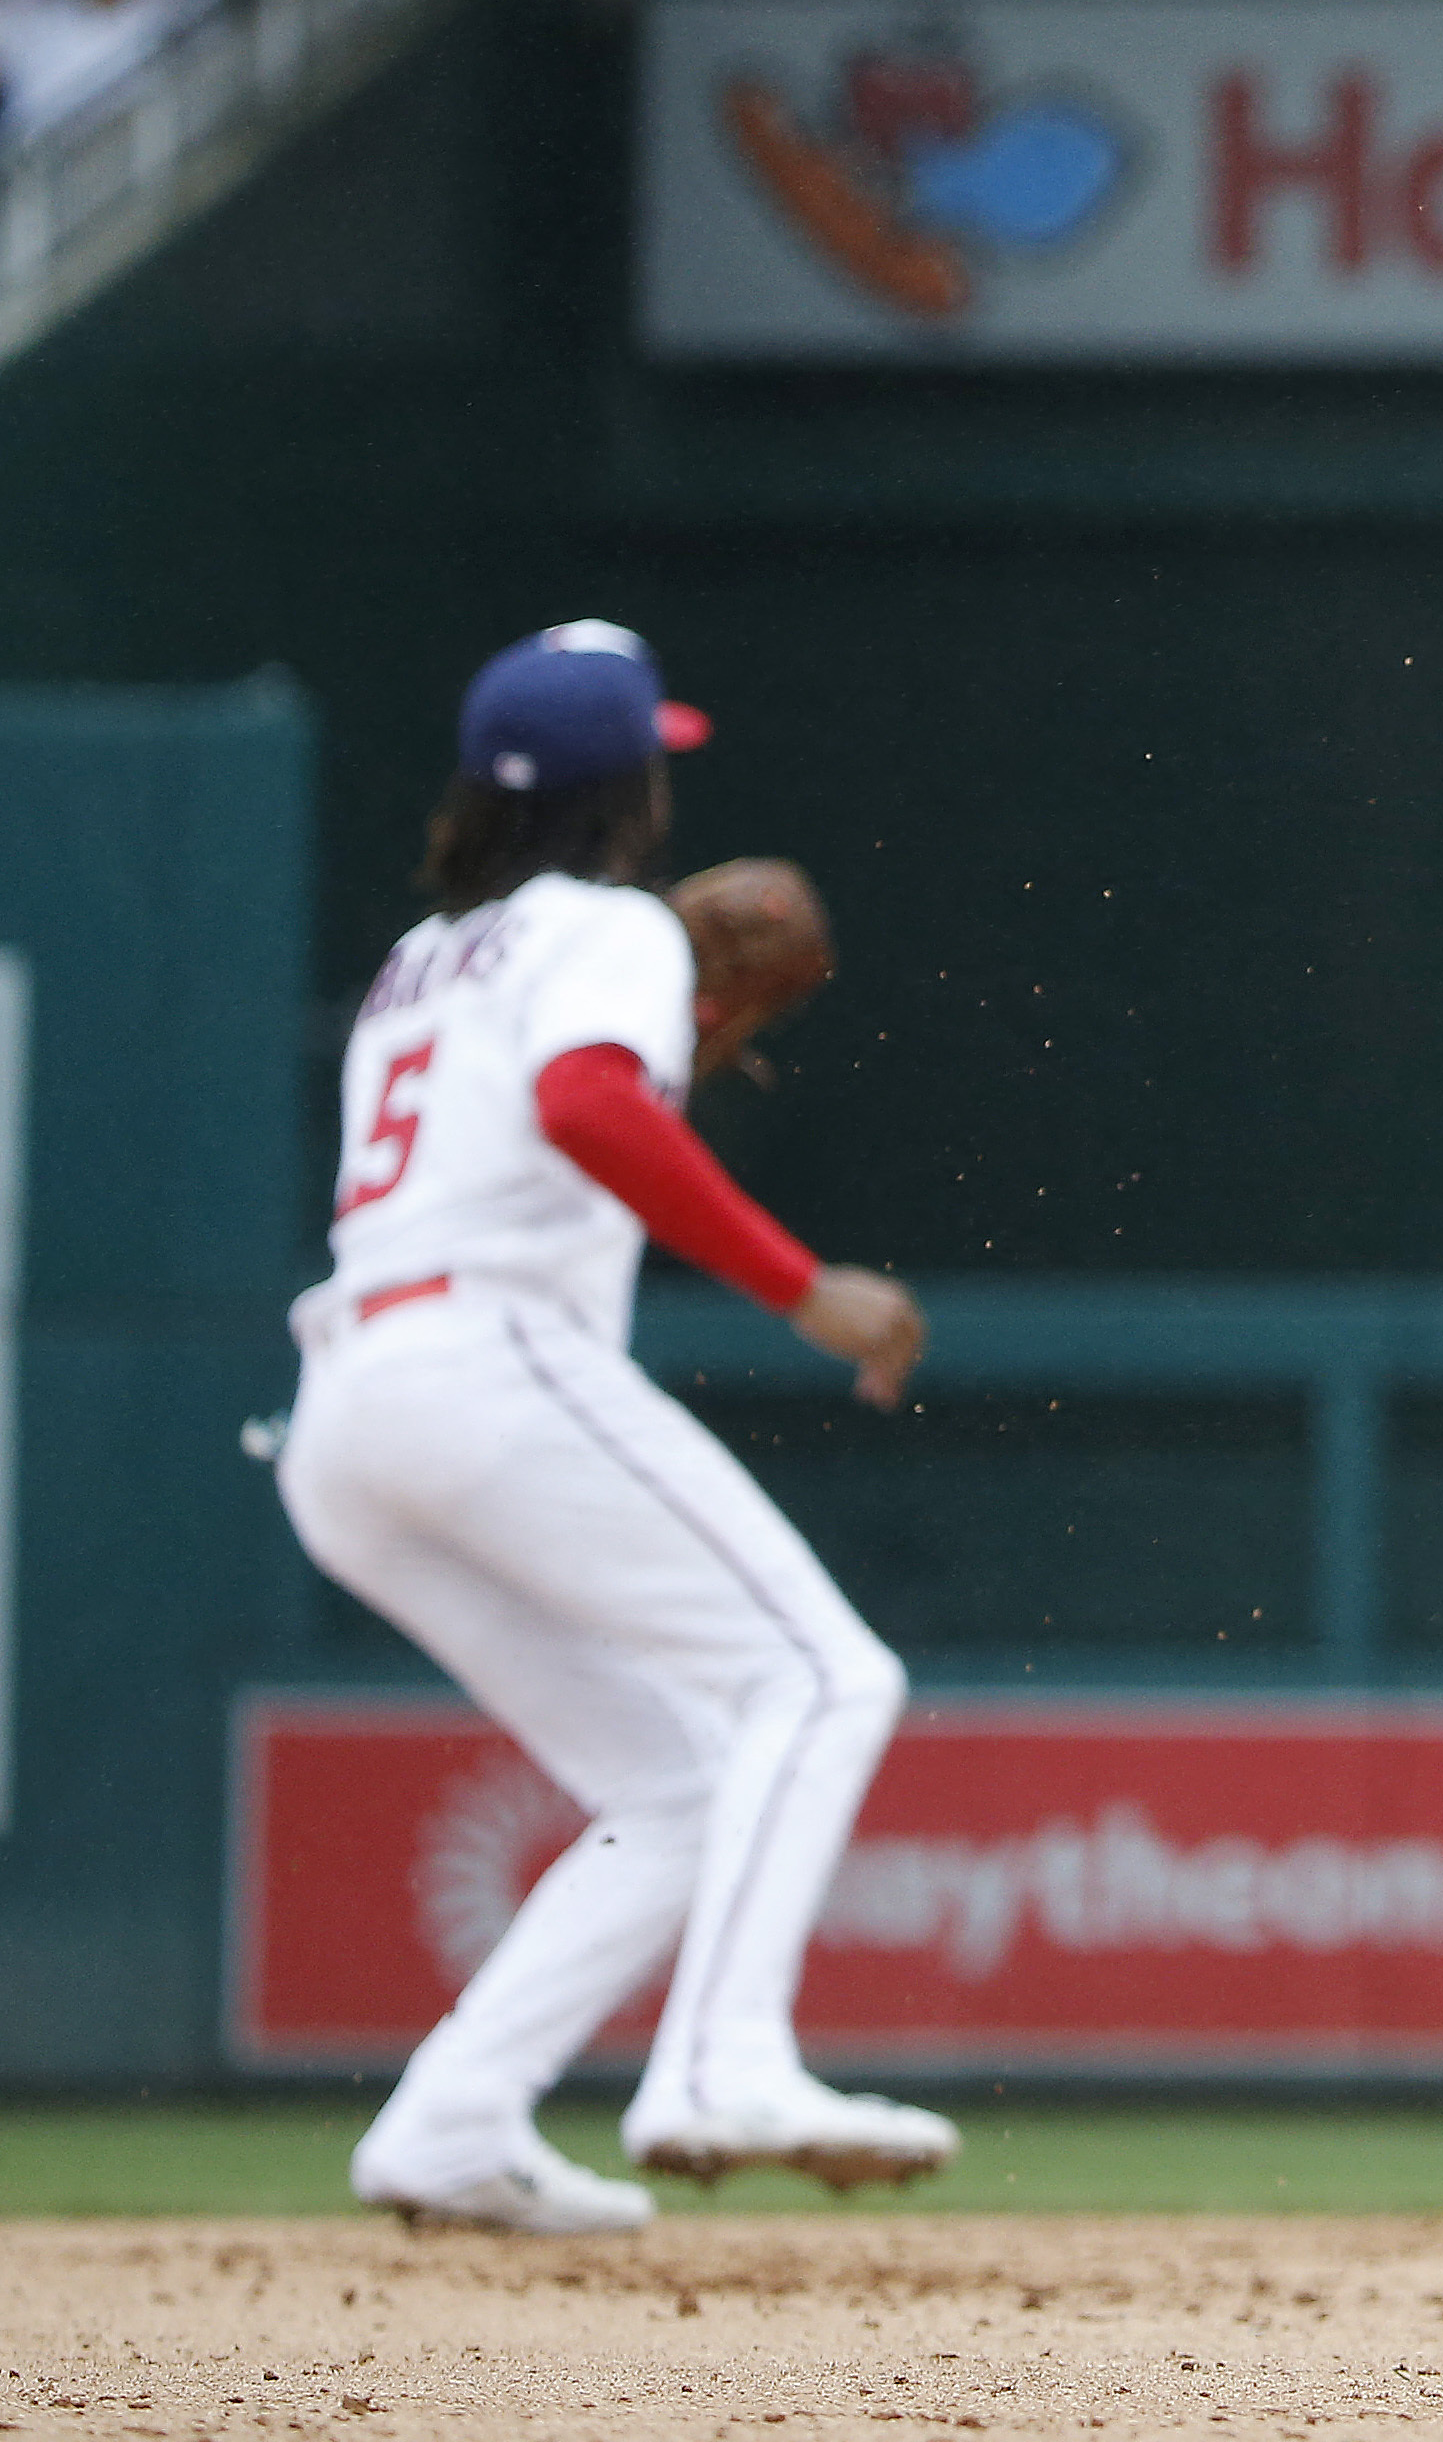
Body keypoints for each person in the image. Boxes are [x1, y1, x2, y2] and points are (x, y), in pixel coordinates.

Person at [273, 621, 953, 2233]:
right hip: (486, 1362)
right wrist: (805, 1289)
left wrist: (657, 1079)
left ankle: (450, 2123)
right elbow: (584, 1109)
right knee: (821, 1673)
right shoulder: (606, 932)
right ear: (630, 785)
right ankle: (724, 2065)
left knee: (677, 1782)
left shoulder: (427, 957)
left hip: (349, 1410)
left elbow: (550, 1121)